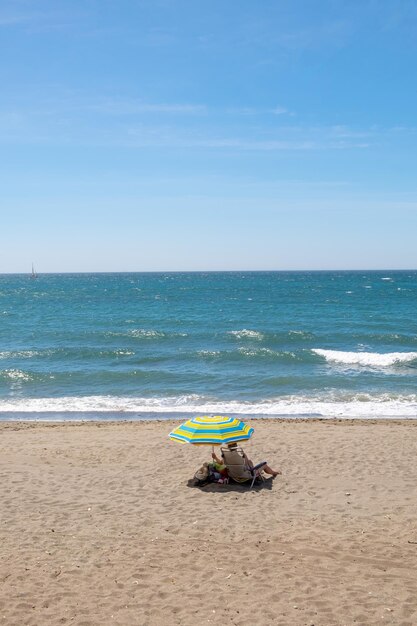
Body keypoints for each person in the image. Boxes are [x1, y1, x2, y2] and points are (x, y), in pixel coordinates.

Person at [211, 441, 281, 477]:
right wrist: (245, 456)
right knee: (264, 465)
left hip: (232, 475)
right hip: (244, 475)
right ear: (236, 446)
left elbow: (220, 463)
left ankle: (260, 474)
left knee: (250, 462)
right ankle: (274, 473)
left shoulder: (225, 455)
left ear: (228, 446)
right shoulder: (240, 454)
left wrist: (215, 457)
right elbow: (247, 466)